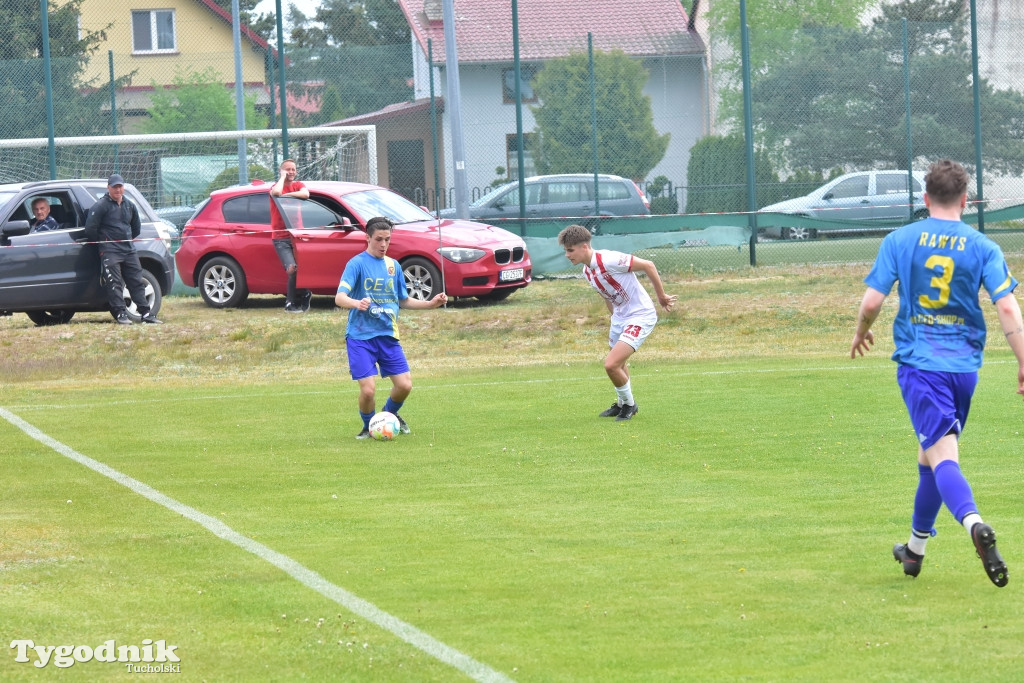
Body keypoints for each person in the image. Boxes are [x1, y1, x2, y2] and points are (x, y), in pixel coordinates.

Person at [850, 159, 1024, 588]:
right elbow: (1006, 307)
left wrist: (860, 332)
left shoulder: (900, 239)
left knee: (943, 456)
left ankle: (974, 525)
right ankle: (914, 550)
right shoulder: (983, 246)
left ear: (924, 200)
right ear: (966, 201)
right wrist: (1023, 359)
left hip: (921, 366)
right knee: (929, 454)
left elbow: (872, 303)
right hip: (964, 369)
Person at [335, 216, 448, 439]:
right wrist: (357, 303)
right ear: (367, 238)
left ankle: (387, 416)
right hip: (360, 337)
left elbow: (402, 301)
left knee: (405, 386)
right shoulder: (356, 264)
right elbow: (339, 297)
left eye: (387, 239)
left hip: (387, 335)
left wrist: (430, 304)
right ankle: (368, 427)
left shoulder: (393, 266)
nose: (383, 244)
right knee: (368, 390)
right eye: (378, 239)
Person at [557, 224, 677, 421]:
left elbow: (648, 265)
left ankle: (630, 405)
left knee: (611, 365)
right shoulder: (587, 272)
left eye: (570, 250)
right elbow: (607, 295)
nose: (567, 255)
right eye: (566, 251)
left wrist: (661, 296)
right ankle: (622, 403)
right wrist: (616, 318)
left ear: (584, 247)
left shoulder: (609, 259)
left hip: (641, 315)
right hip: (620, 318)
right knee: (618, 364)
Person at [83, 174, 162, 325]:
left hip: (129, 250)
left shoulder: (129, 205)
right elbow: (90, 229)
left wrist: (126, 240)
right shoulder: (101, 206)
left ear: (123, 187)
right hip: (110, 251)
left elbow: (136, 228)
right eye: (114, 187)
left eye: (120, 186)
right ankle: (120, 314)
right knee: (115, 283)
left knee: (136, 281)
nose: (117, 190)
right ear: (108, 188)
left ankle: (146, 314)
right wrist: (105, 243)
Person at [269, 159, 312, 313]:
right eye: (288, 169)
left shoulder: (299, 185)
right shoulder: (275, 186)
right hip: (280, 237)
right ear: (282, 171)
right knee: (292, 268)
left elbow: (306, 194)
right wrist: (282, 178)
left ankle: (304, 294)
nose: (291, 172)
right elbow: (277, 193)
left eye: (293, 169)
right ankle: (291, 302)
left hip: (297, 235)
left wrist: (289, 195)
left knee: (302, 268)